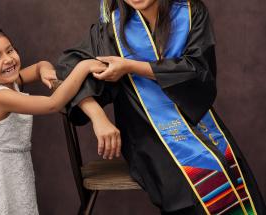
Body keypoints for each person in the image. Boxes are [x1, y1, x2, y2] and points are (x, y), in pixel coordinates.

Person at [56, 0, 266, 214]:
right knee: (195, 180)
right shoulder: (113, 28)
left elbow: (198, 71)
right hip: (144, 131)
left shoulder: (191, 13)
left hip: (195, 119)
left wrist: (131, 66)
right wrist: (97, 115)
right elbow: (68, 67)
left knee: (230, 168)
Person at [0, 28, 107, 215]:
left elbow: (40, 66)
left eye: (10, 50)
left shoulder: (10, 81)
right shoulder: (0, 96)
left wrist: (44, 70)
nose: (8, 59)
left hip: (16, 168)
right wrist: (83, 67)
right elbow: (52, 104)